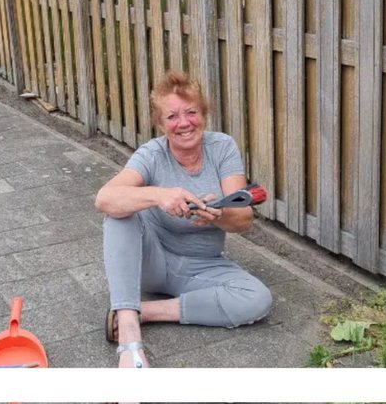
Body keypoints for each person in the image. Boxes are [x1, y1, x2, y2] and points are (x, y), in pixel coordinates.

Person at [95, 70, 273, 368]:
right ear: (160, 124)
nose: (184, 123)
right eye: (172, 116)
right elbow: (104, 198)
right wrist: (159, 195)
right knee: (119, 216)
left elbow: (243, 220)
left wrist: (217, 215)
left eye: (191, 112)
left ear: (203, 114)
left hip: (203, 267)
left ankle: (144, 312)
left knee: (257, 299)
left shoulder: (222, 147)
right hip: (152, 262)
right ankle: (128, 335)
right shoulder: (152, 154)